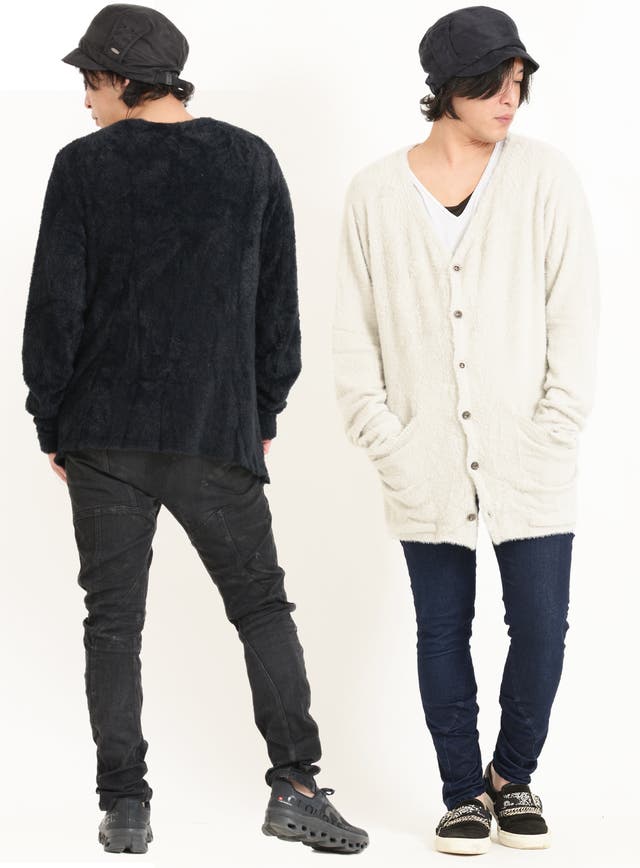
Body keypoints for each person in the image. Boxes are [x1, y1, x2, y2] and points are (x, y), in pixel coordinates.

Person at [21, 3, 368, 856]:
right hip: (215, 430)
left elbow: (56, 307)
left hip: (103, 436)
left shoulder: (82, 167)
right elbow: (278, 310)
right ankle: (296, 787)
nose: (85, 98)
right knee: (260, 608)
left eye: (90, 80)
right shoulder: (249, 160)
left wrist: (51, 418)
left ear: (124, 78)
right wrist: (260, 411)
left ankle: (124, 806)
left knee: (113, 623)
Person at [332, 4, 599, 857]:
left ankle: (511, 777)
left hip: (531, 453)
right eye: (493, 84)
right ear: (448, 87)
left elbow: (576, 316)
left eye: (519, 82)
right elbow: (352, 334)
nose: (510, 99)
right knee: (441, 631)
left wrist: (556, 423)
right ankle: (461, 796)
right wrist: (387, 436)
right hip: (424, 459)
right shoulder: (375, 193)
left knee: (543, 627)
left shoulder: (544, 178)